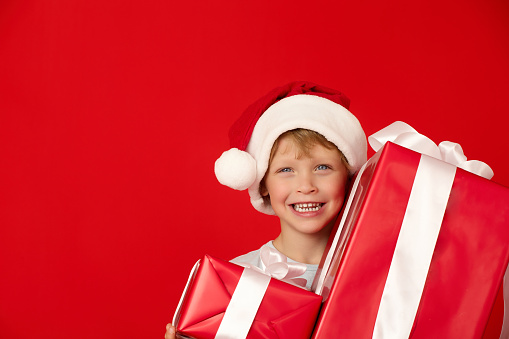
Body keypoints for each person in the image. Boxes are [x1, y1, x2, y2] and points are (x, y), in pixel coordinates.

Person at [165, 81, 367, 339]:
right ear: (262, 185)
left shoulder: (377, 273)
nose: (306, 186)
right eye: (286, 170)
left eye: (322, 167)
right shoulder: (233, 284)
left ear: (349, 178)